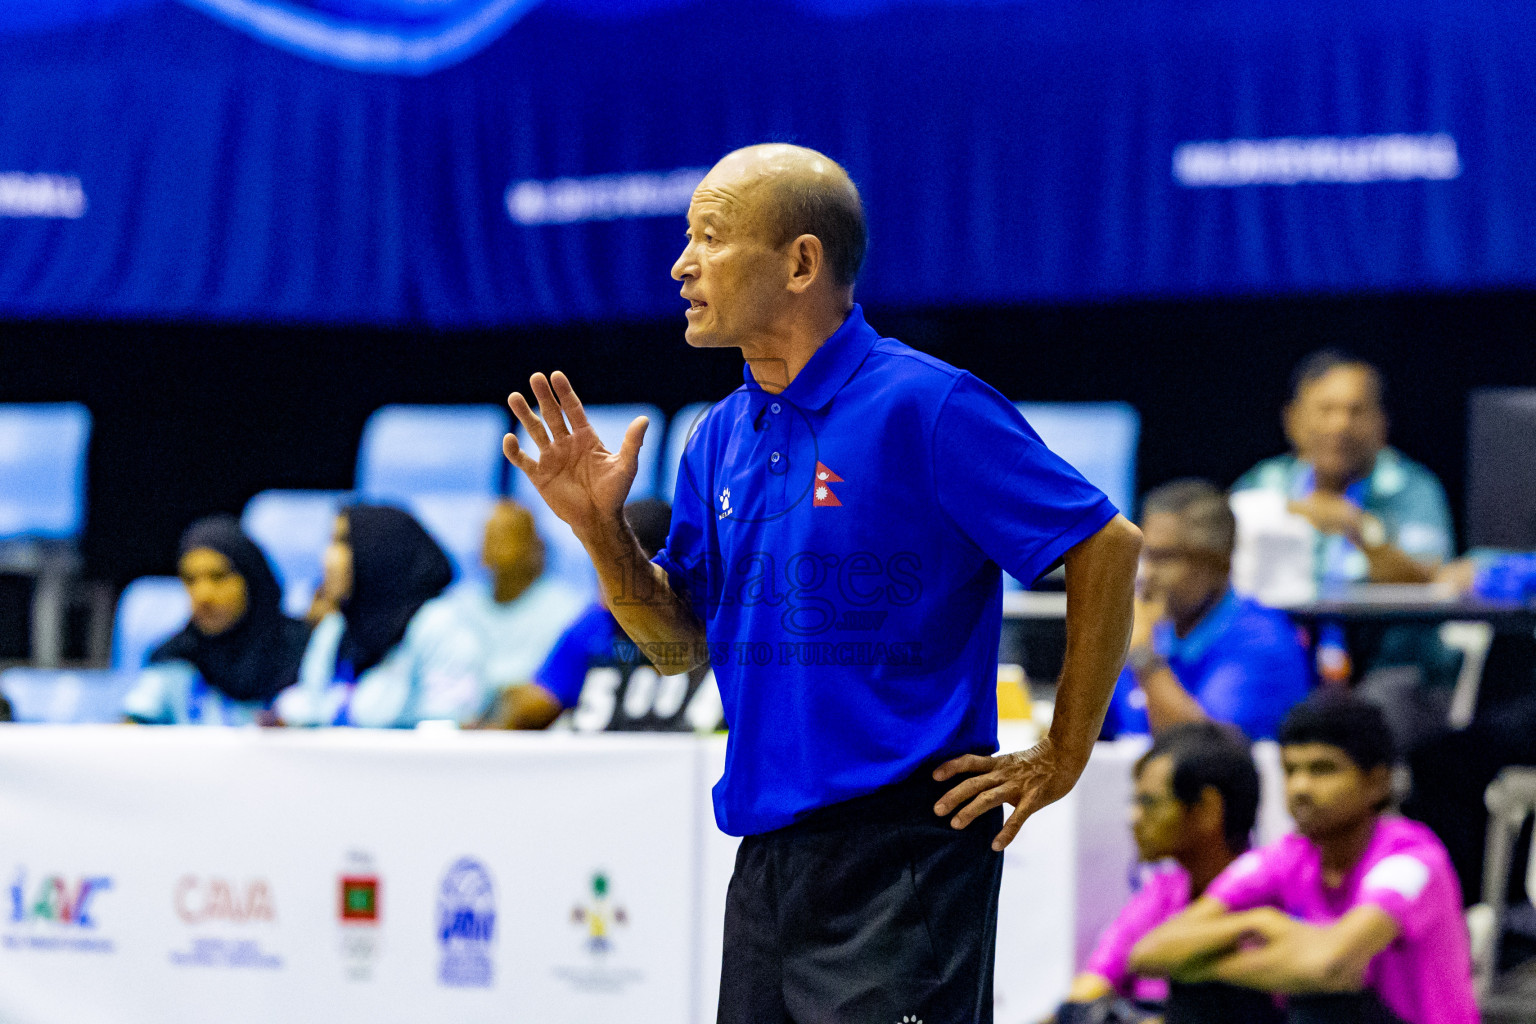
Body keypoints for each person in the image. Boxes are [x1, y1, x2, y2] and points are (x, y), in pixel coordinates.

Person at [502, 143, 1142, 1023]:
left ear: (801, 261)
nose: (681, 264)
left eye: (709, 237)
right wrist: (600, 533)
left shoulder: (927, 404)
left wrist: (1066, 751)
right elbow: (675, 649)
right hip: (768, 863)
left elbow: (1106, 543)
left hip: (906, 854)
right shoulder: (719, 435)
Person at [1129, 692, 1478, 1024]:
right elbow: (1150, 951)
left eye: (1322, 769)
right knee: (1202, 990)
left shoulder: (1411, 861)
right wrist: (1258, 923)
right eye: (1290, 770)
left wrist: (1209, 961)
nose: (1300, 788)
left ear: (1377, 782)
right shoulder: (1286, 856)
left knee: (1324, 999)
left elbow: (1330, 966)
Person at [1056, 722, 1277, 1024]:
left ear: (1208, 809)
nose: (1134, 818)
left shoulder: (1273, 890)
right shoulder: (1164, 891)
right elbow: (1091, 987)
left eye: (1149, 803)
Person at [485, 499, 722, 732]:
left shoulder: (715, 628)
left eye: (617, 565)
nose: (604, 577)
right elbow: (538, 703)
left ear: (659, 571)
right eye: (600, 561)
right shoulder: (596, 623)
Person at [1102, 479, 1311, 741]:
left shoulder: (1262, 643)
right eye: (1143, 555)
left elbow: (1205, 757)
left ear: (1218, 564)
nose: (1146, 574)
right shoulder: (1153, 628)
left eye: (1165, 558)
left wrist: (1146, 660)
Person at [1233, 350, 1453, 588]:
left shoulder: (1411, 488)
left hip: (1377, 625)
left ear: (1381, 424)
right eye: (1326, 410)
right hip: (1284, 623)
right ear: (1293, 420)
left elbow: (1431, 578)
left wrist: (1360, 528)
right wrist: (1287, 511)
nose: (1340, 425)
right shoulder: (1265, 482)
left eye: (1355, 411)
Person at [275, 504, 486, 728]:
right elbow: (307, 704)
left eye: (342, 542)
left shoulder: (441, 625)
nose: (326, 558)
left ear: (380, 550)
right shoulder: (335, 628)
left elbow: (450, 724)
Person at [124, 515, 309, 725]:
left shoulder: (306, 651)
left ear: (251, 579)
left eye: (218, 576)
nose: (203, 595)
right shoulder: (175, 659)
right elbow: (128, 733)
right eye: (190, 580)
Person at [445, 499, 586, 700]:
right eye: (488, 536)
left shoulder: (566, 611)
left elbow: (552, 687)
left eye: (505, 536)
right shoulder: (459, 608)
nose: (493, 546)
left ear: (534, 547)